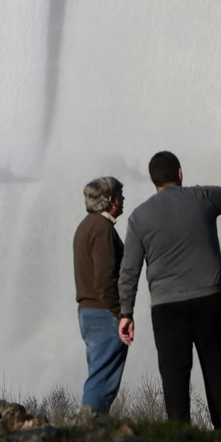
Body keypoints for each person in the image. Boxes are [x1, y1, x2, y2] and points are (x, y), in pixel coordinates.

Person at [117, 151, 221, 428]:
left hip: (166, 308)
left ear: (152, 180)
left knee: (174, 375)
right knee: (216, 367)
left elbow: (129, 270)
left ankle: (181, 434)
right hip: (210, 300)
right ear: (180, 173)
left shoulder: (138, 217)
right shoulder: (202, 197)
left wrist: (126, 312)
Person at [73, 176, 128, 413]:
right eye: (120, 195)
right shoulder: (102, 229)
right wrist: (120, 313)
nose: (124, 199)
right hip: (104, 313)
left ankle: (89, 427)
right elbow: (105, 279)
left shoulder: (86, 226)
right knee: (102, 381)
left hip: (89, 312)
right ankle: (89, 430)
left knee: (98, 373)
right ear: (111, 201)